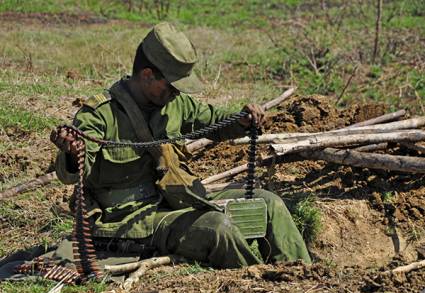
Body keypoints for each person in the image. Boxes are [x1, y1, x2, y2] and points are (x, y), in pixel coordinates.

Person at [49, 22, 312, 271]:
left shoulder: (174, 104)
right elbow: (71, 173)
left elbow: (215, 122)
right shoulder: (99, 114)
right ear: (147, 75)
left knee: (269, 203)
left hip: (174, 199)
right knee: (217, 227)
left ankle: (302, 278)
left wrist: (241, 120)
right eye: (173, 85)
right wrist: (73, 152)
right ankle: (267, 282)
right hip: (126, 221)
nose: (177, 92)